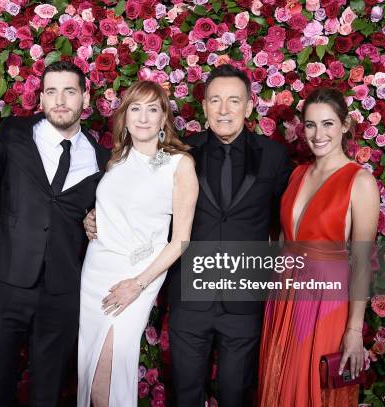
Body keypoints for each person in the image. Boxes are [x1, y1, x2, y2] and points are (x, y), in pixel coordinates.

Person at [84, 64, 292, 406]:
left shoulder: (274, 157)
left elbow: (286, 222)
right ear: (205, 106)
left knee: (235, 394)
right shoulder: (180, 154)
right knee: (185, 394)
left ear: (249, 106)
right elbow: (141, 202)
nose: (224, 110)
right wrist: (95, 218)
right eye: (215, 101)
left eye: (233, 101)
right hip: (189, 300)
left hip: (243, 302)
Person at [0, 61, 111, 407]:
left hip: (63, 291)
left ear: (85, 98)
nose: (60, 100)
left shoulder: (102, 160)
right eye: (51, 92)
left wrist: (98, 219)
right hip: (8, 283)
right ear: (40, 99)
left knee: (49, 393)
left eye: (69, 91)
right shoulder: (13, 134)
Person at [77, 81, 198, 407]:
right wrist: (91, 217)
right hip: (96, 271)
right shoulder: (116, 159)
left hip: (136, 276)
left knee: (110, 368)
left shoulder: (178, 164)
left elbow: (180, 241)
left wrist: (138, 284)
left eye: (153, 109)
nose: (143, 117)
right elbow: (114, 207)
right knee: (89, 370)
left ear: (163, 120)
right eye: (136, 108)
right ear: (125, 116)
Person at [258, 88, 379, 406]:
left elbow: (363, 263)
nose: (318, 133)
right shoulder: (297, 174)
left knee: (311, 388)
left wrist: (354, 330)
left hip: (325, 303)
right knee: (277, 385)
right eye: (310, 125)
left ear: (345, 126)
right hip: (283, 298)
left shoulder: (360, 181)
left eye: (327, 124)